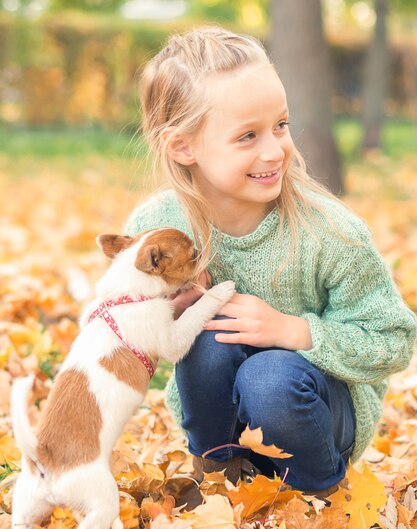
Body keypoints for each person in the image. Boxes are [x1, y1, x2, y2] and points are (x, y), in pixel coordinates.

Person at [125, 26, 417, 498]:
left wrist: (295, 332)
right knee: (208, 336)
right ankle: (220, 477)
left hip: (315, 419)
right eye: (247, 136)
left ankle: (316, 495)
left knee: (268, 378)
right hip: (224, 422)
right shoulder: (159, 226)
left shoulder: (329, 232)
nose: (273, 150)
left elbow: (394, 340)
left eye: (280, 125)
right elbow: (125, 333)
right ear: (183, 146)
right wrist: (167, 311)